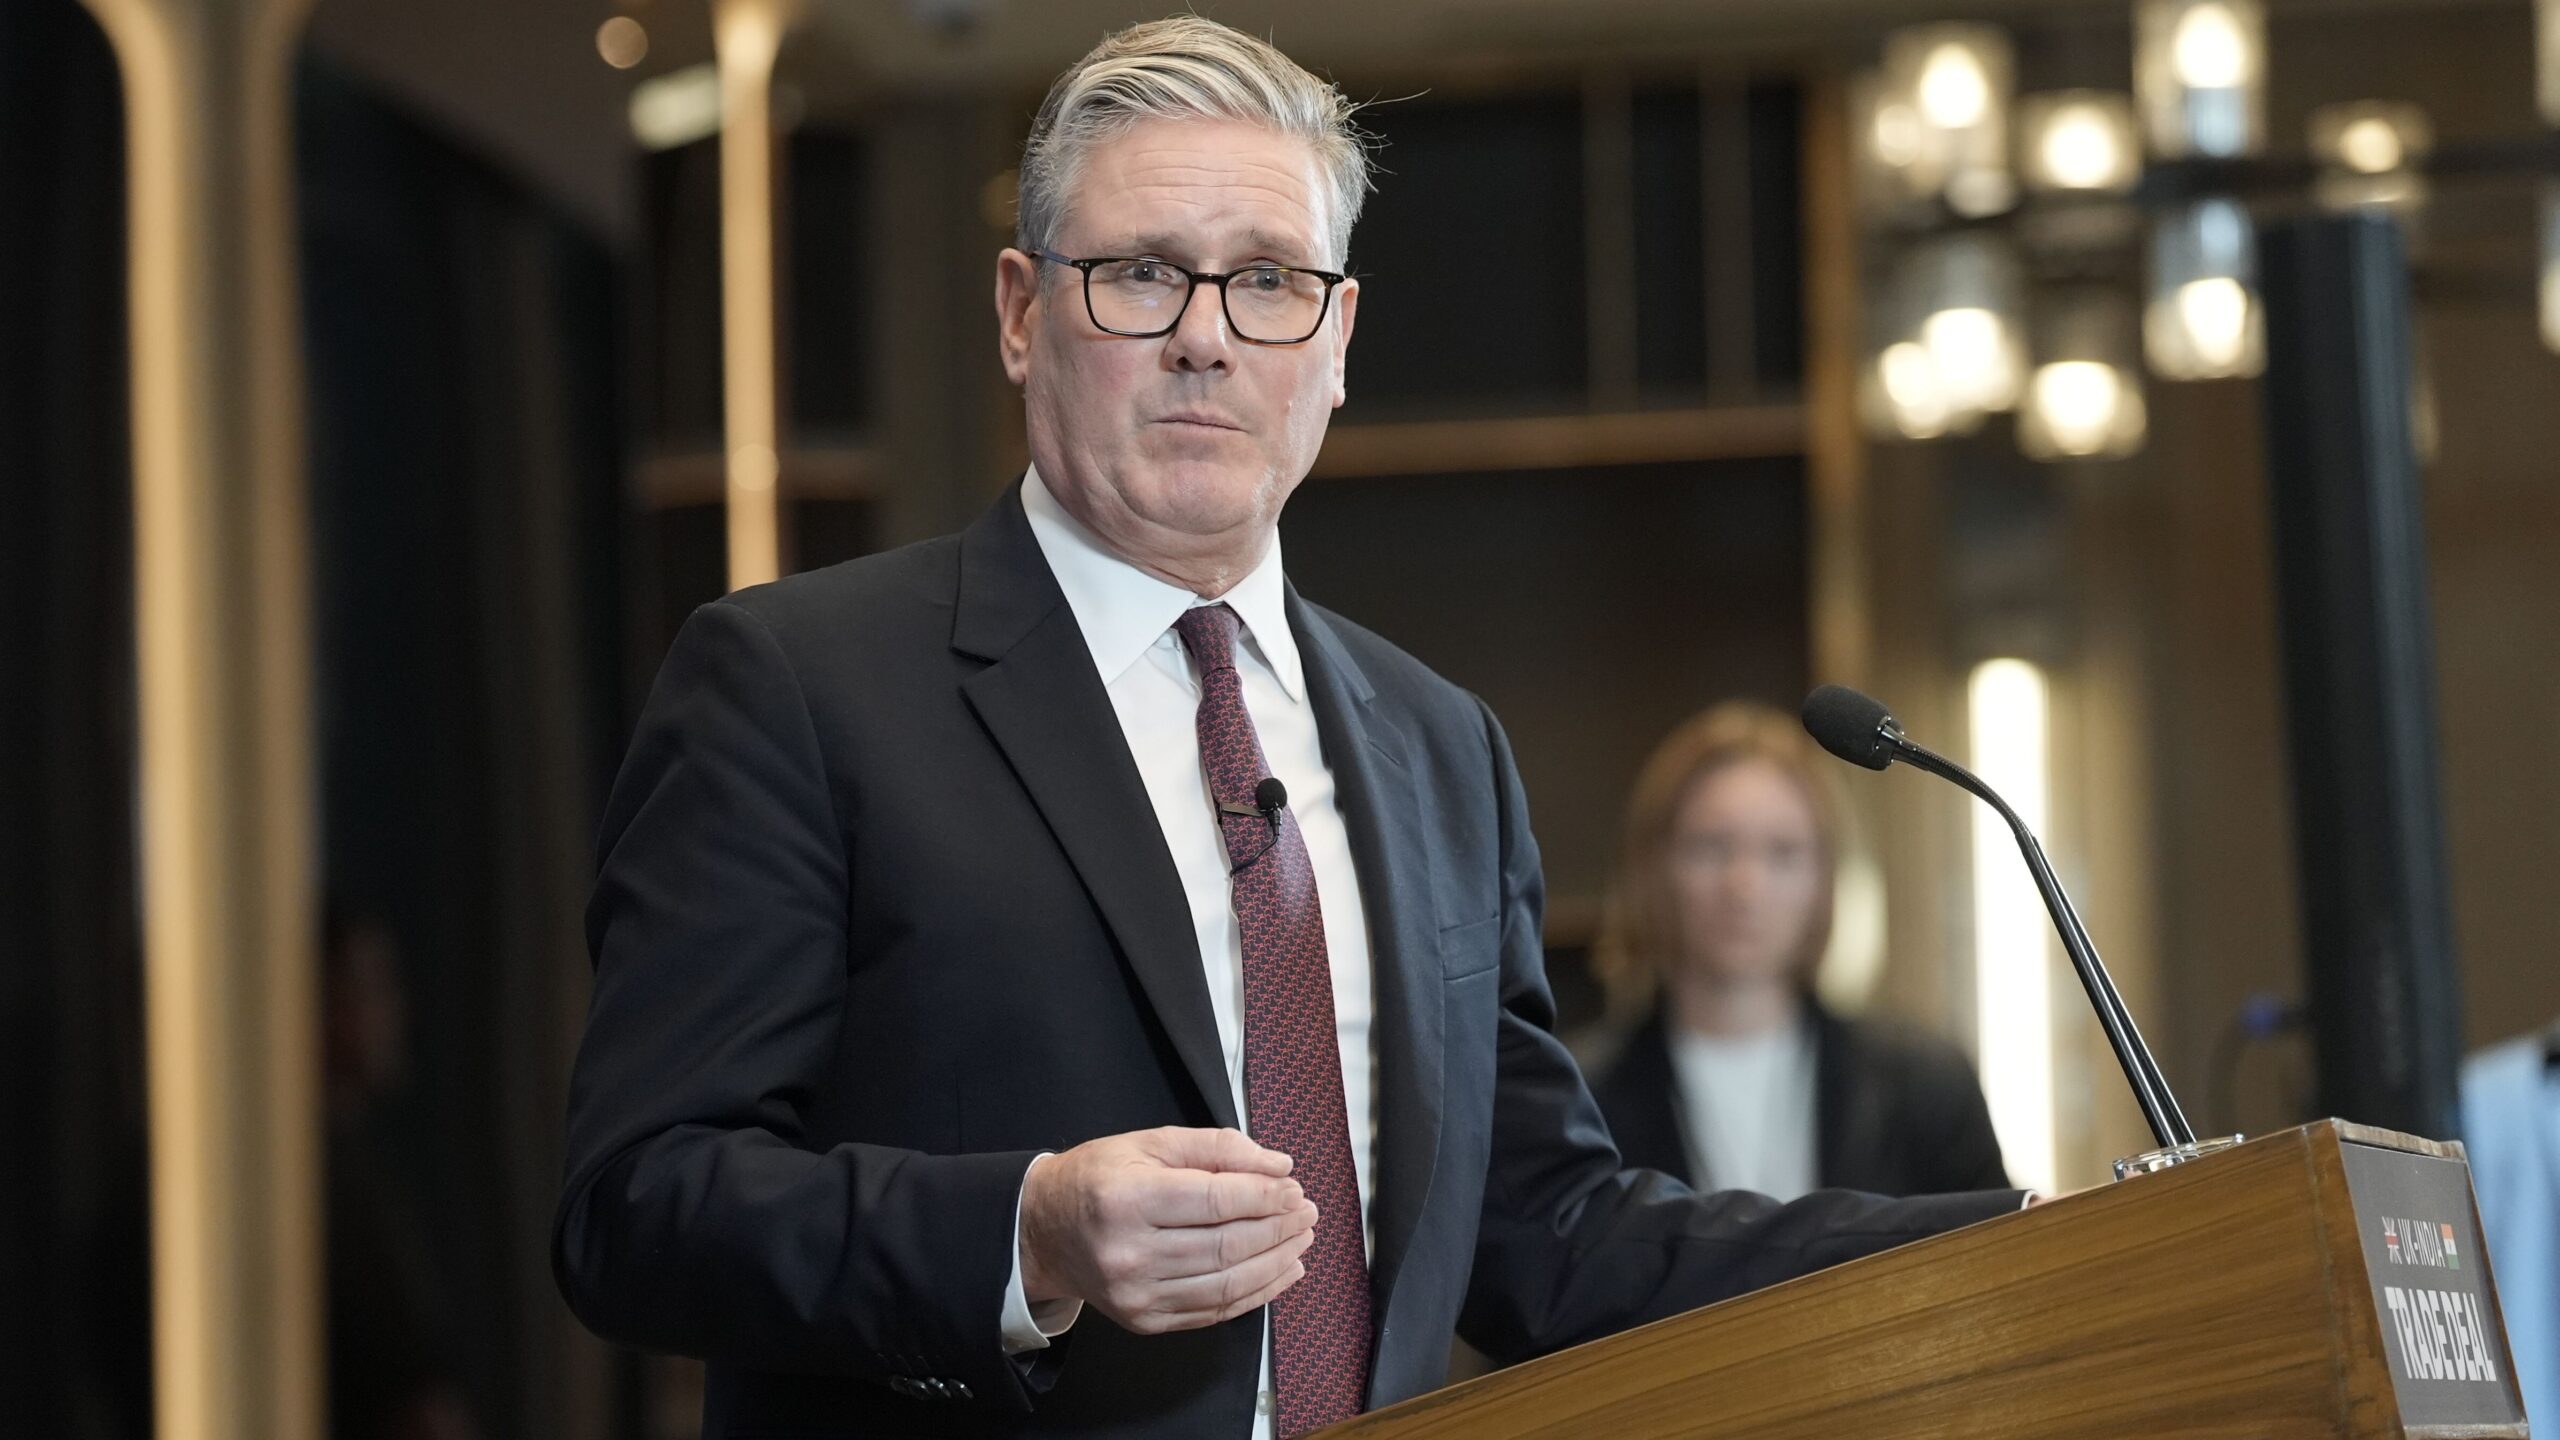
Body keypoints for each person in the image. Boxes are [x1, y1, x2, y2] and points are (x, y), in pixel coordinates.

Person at [551, 19, 2027, 1440]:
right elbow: (634, 1207)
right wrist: (1026, 1233)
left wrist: (2023, 1235)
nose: (1206, 338)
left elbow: (1548, 1231)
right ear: (1020, 313)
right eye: (1141, 274)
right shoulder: (798, 685)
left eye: (1267, 280)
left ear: (1337, 340)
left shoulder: (1442, 749)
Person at [1587, 703, 2010, 1200]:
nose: (1744, 886)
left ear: (1826, 880)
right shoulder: (1578, 1102)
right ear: (1653, 867)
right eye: (1712, 846)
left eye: (1782, 852)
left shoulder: (1925, 1085)